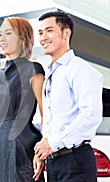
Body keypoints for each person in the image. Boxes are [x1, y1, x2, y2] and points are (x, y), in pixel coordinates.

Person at [34, 10, 103, 181]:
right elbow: (51, 121)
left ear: (66, 33)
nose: (43, 38)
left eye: (49, 31)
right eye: (40, 33)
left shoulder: (78, 68)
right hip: (55, 163)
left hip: (75, 161)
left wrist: (53, 143)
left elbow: (91, 115)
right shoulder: (51, 73)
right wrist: (44, 151)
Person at [0, 17, 45, 182]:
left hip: (22, 145)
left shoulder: (33, 70)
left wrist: (41, 151)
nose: (1, 39)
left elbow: (46, 114)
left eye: (8, 33)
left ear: (23, 37)